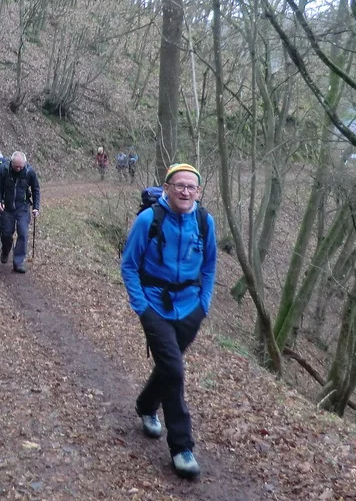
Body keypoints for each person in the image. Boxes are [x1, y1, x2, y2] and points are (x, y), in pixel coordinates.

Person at [120, 163, 216, 480]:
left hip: (190, 308)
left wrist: (203, 304)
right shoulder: (149, 220)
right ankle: (181, 447)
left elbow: (210, 266)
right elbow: (129, 266)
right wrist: (141, 306)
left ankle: (147, 405)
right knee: (174, 370)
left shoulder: (204, 222)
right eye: (179, 185)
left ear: (198, 192)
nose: (185, 191)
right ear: (167, 187)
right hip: (155, 307)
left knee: (167, 367)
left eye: (191, 187)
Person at [0, 151, 40, 273]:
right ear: (11, 163)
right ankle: (5, 250)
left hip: (23, 207)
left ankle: (18, 262)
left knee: (23, 233)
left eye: (21, 166)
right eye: (16, 166)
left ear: (24, 163)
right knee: (7, 234)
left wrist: (36, 207)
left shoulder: (29, 172)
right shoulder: (4, 170)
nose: (18, 168)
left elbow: (35, 189)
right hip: (7, 208)